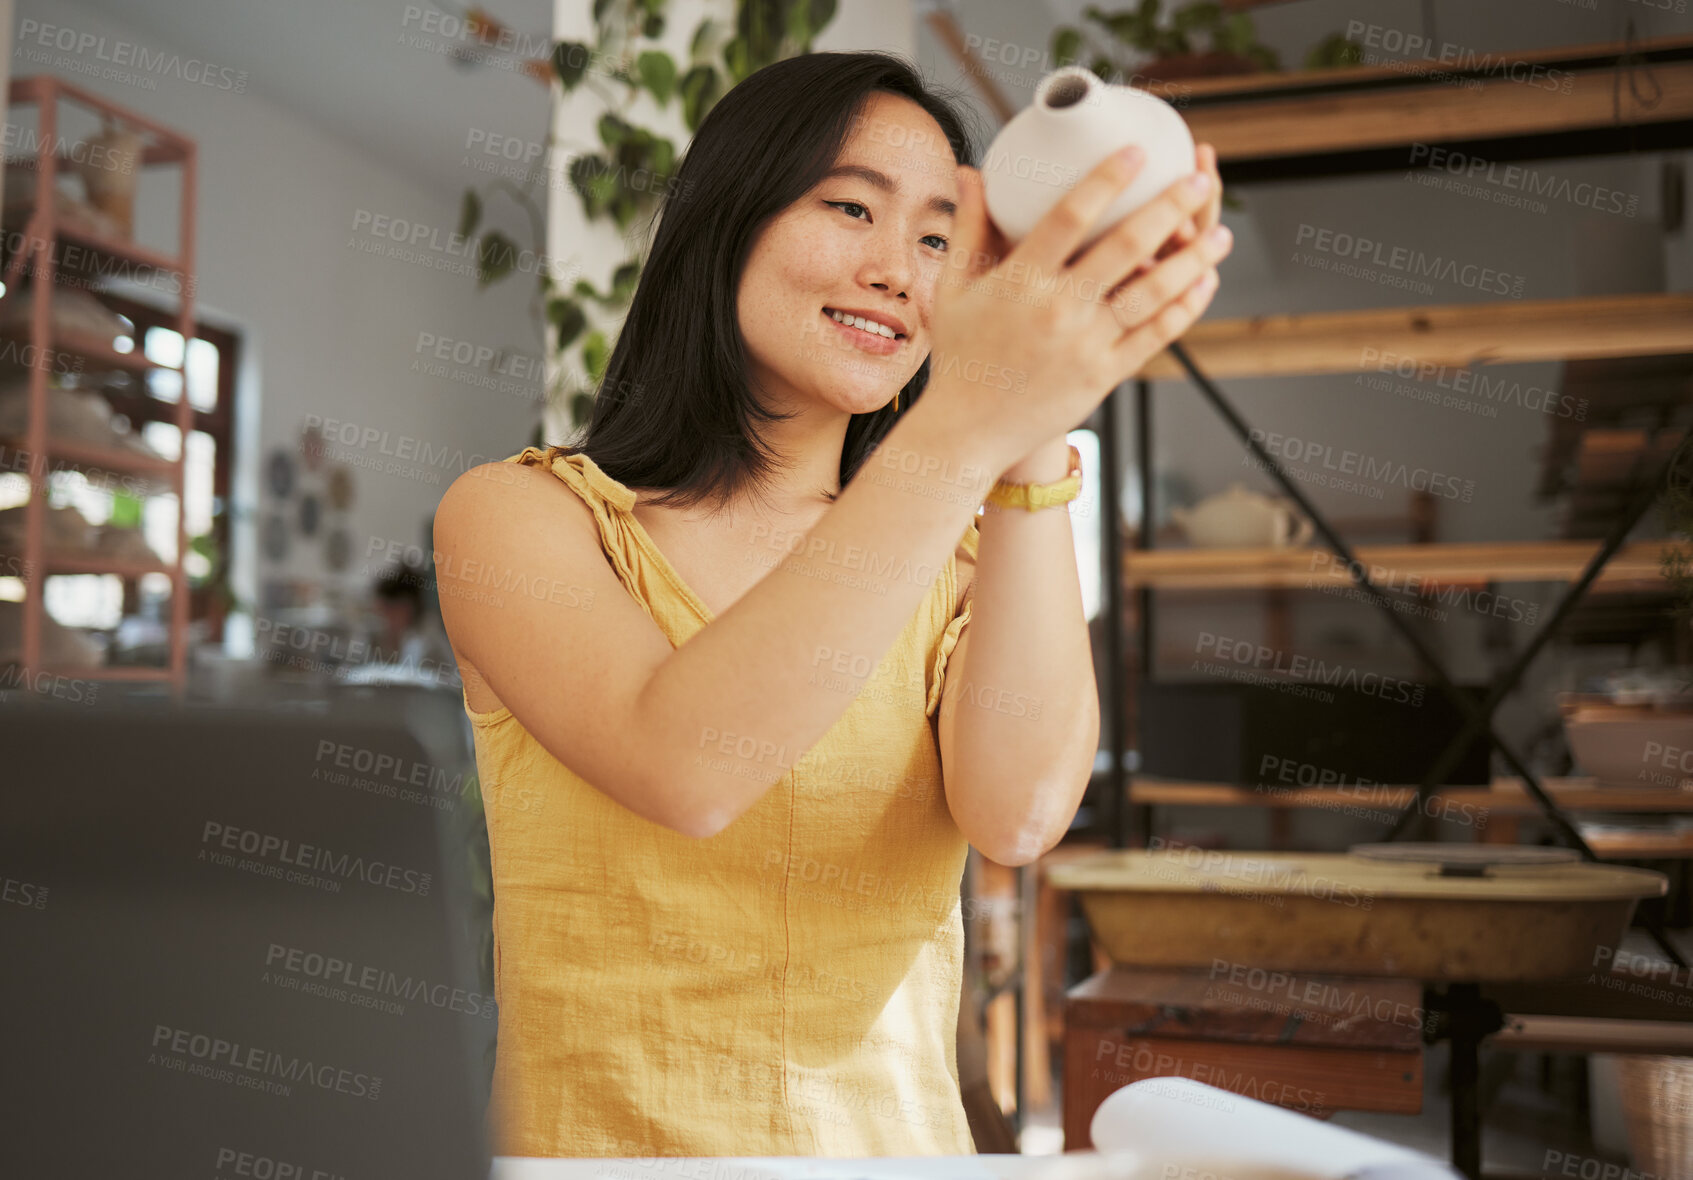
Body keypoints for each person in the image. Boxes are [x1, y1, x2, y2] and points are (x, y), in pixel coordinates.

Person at [432, 50, 1228, 1158]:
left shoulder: (954, 547)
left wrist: (1036, 417)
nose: (900, 270)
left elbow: (1021, 814)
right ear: (728, 220)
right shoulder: (520, 519)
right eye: (853, 207)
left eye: (940, 241)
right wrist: (971, 417)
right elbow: (689, 765)